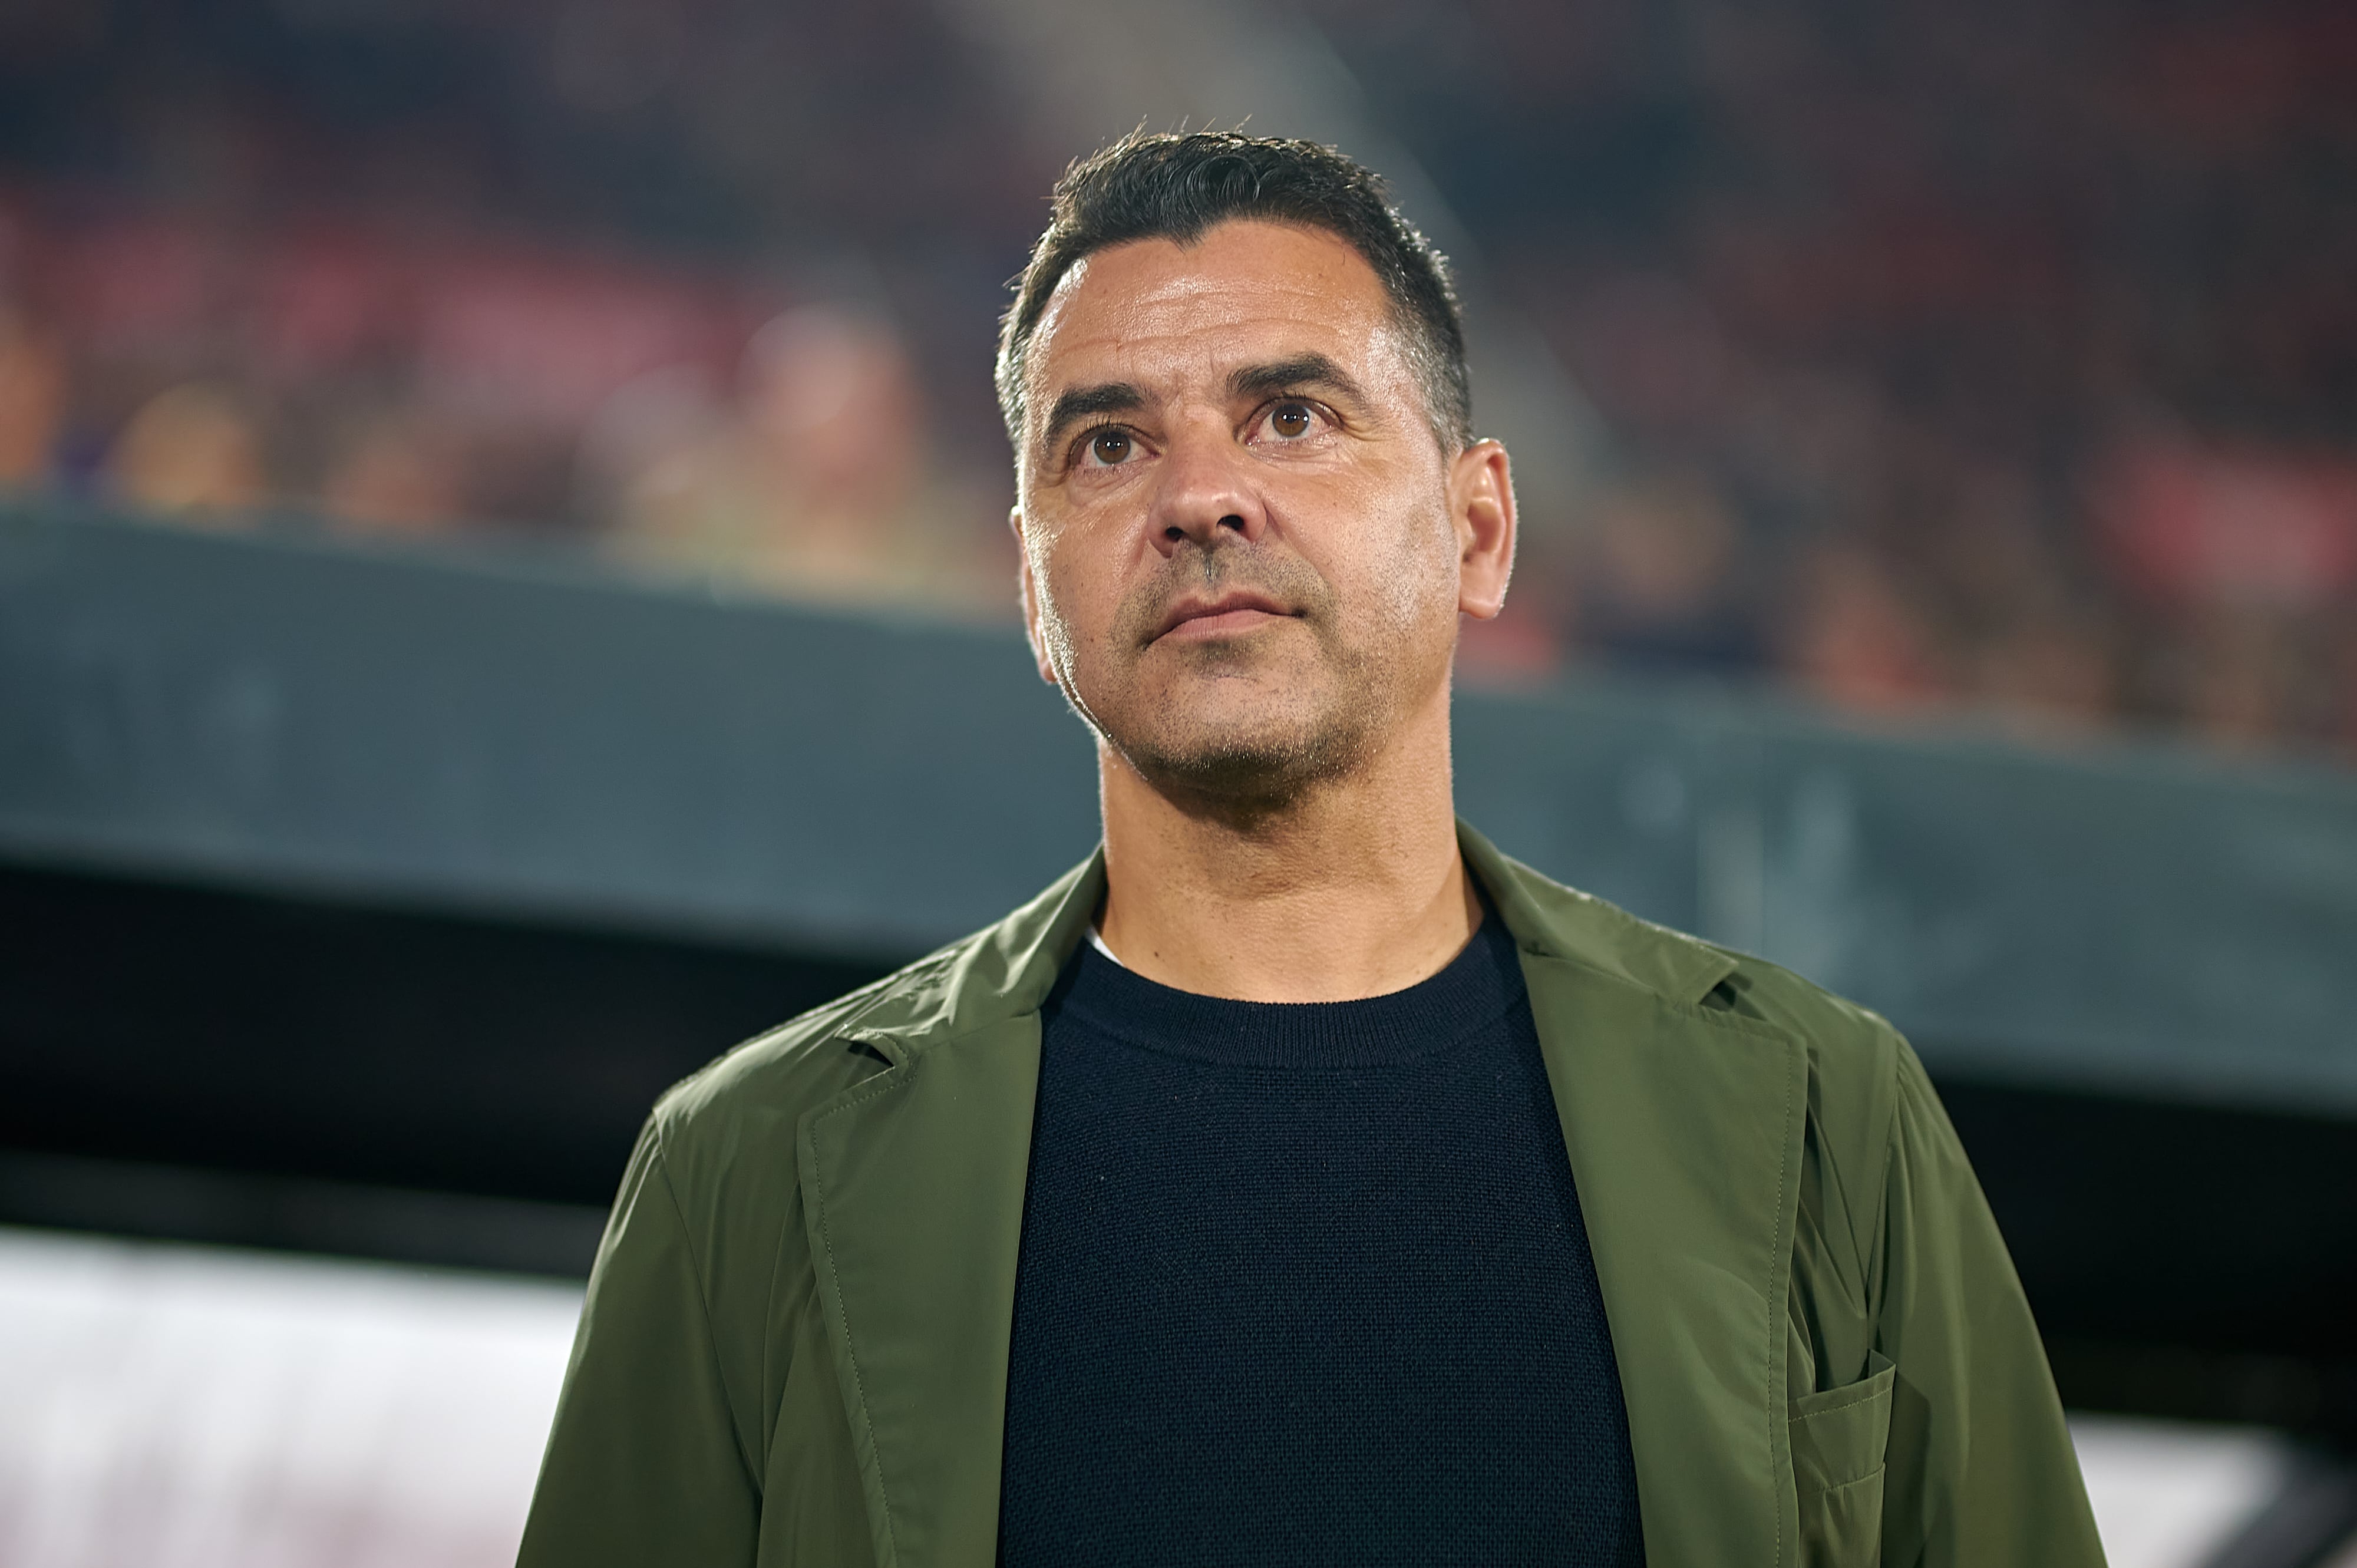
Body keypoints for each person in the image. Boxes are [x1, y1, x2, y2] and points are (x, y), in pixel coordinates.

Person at [518, 131, 2106, 1568]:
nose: (1203, 494)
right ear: (1029, 584)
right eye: (1109, 446)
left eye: (1291, 416)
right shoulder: (752, 1176)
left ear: (1477, 530)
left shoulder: (1824, 1120)